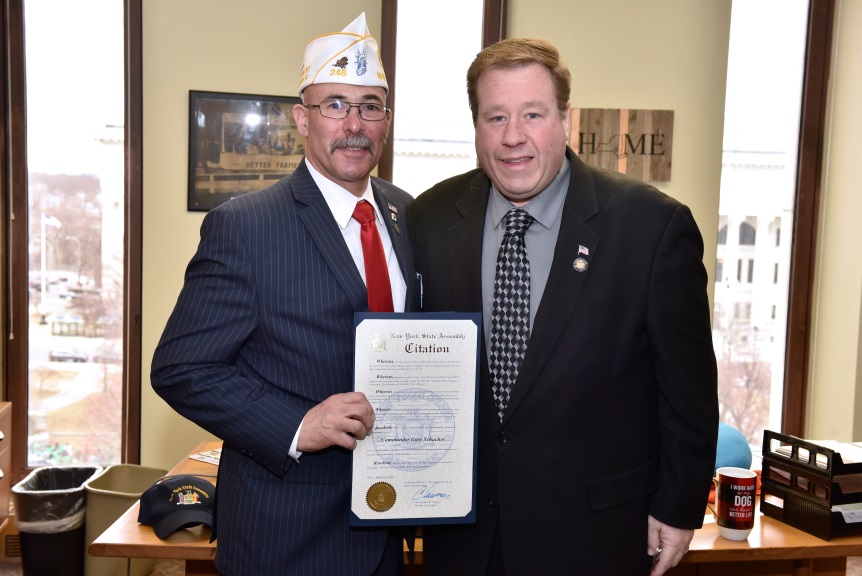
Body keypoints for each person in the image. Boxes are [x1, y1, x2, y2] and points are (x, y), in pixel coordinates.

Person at [407, 38, 718, 576]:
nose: (512, 137)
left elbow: (688, 390)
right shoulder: (430, 217)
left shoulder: (650, 228)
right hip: (462, 537)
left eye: (533, 114)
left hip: (594, 537)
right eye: (495, 116)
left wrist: (678, 504)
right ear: (476, 124)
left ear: (565, 118)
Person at [151, 13, 418, 576]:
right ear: (302, 118)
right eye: (335, 105)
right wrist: (298, 426)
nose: (355, 124)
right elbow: (181, 367)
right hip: (286, 536)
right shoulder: (246, 227)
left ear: (386, 121)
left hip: (387, 525)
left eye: (370, 106)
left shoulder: (406, 213)